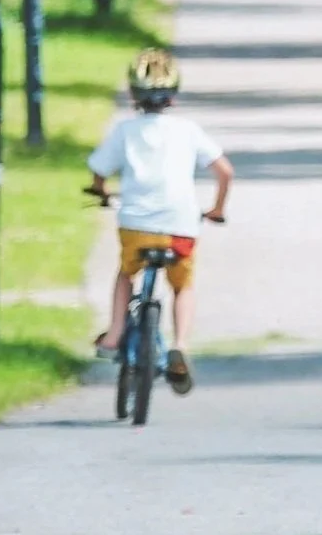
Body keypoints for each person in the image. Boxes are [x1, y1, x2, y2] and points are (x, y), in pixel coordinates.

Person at [86, 48, 232, 395]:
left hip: (136, 224)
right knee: (182, 285)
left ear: (133, 94)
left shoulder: (125, 131)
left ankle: (116, 331)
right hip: (180, 227)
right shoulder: (188, 130)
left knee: (126, 273)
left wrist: (100, 190)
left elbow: (98, 169)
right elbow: (225, 171)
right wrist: (216, 209)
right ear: (173, 96)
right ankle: (180, 344)